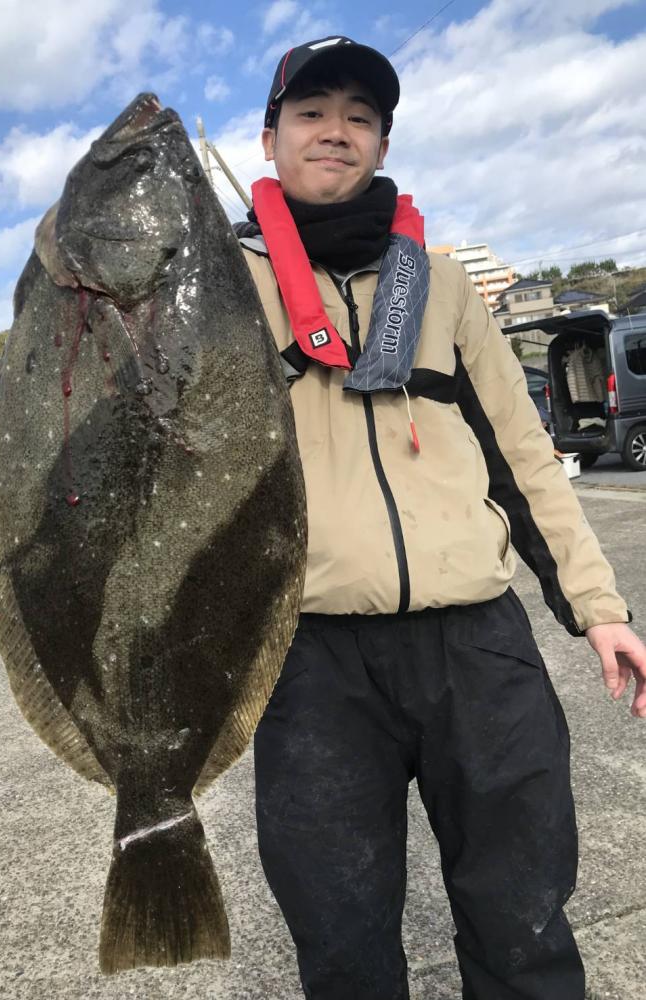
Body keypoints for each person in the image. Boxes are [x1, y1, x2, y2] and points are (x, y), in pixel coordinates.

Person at [234, 36, 646, 1000]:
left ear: (382, 143)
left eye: (360, 117)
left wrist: (599, 607)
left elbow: (525, 457)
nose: (335, 131)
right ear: (270, 137)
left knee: (523, 923)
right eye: (311, 112)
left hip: (478, 646)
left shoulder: (444, 284)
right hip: (309, 660)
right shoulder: (217, 289)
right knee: (341, 943)